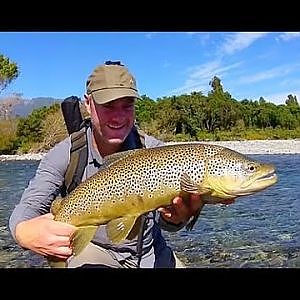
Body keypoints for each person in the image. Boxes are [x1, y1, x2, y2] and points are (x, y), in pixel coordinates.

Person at [9, 61, 204, 268]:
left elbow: (168, 223)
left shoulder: (156, 153)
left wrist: (176, 219)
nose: (118, 117)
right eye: (108, 106)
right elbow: (28, 208)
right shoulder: (67, 153)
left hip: (149, 252)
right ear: (88, 103)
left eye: (127, 105)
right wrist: (24, 233)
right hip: (94, 251)